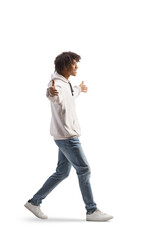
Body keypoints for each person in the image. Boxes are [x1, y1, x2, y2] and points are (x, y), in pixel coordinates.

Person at [25, 51, 113, 221]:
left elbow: (71, 95)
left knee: (62, 172)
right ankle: (91, 211)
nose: (76, 66)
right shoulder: (56, 84)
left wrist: (80, 88)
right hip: (68, 138)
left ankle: (34, 202)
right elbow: (53, 95)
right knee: (84, 169)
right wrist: (50, 92)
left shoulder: (66, 83)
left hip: (62, 136)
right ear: (65, 66)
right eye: (74, 64)